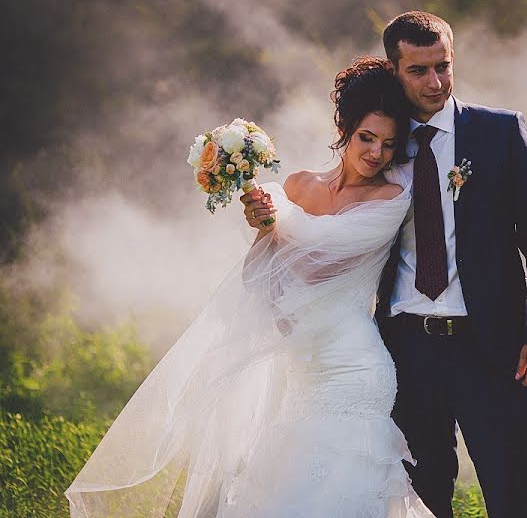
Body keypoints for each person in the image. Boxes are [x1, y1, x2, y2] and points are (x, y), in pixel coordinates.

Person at [66, 57, 436, 518]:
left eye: (388, 144)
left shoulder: (389, 198)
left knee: (337, 492)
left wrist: (277, 222)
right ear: (344, 130)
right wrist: (263, 225)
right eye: (367, 138)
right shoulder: (299, 184)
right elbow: (255, 276)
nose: (376, 154)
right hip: (303, 368)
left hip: (352, 367)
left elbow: (318, 267)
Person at [376, 11, 527, 518]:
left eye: (444, 66)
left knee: (511, 497)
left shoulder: (499, 132)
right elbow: (333, 214)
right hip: (405, 351)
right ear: (394, 70)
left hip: (493, 350)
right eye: (419, 70)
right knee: (420, 499)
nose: (435, 82)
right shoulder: (378, 143)